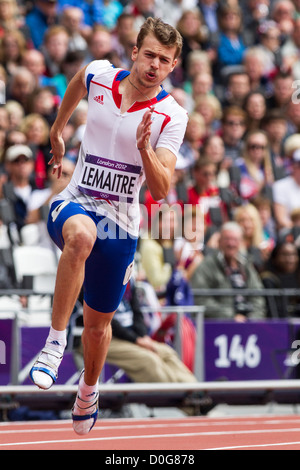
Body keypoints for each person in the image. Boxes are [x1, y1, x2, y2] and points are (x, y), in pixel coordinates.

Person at [29, 17, 188, 436]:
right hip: (76, 199)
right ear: (134, 52)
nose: (155, 64)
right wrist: (58, 130)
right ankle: (55, 342)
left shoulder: (171, 115)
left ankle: (88, 390)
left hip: (122, 223)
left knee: (100, 327)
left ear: (173, 67)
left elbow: (161, 187)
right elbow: (78, 80)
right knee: (80, 236)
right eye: (150, 54)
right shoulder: (101, 73)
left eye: (165, 60)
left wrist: (144, 151)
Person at [190, 221, 266, 320]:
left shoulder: (246, 265)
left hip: (249, 324)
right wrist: (231, 317)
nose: (231, 244)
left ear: (241, 242)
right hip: (220, 325)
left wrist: (253, 318)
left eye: (235, 239)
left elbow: (258, 296)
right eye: (227, 239)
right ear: (219, 241)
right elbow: (200, 298)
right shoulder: (207, 266)